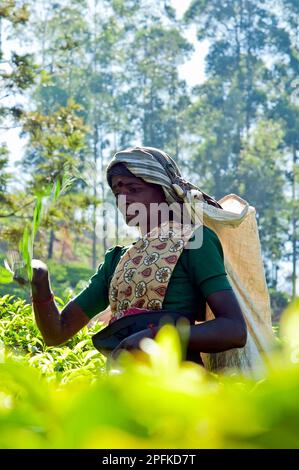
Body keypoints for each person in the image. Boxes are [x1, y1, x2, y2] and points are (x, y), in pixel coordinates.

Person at [28, 146, 247, 368]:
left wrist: (156, 336)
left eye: (133, 189)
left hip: (180, 383)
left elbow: (234, 329)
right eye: (117, 193)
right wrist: (39, 279)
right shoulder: (117, 260)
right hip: (124, 386)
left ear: (163, 191)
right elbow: (57, 333)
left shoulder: (195, 241)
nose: (123, 199)